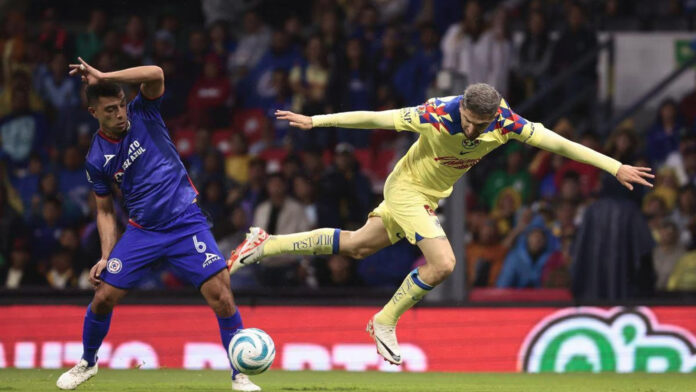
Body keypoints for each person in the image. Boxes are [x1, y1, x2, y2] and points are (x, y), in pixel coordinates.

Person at [229, 83, 653, 365]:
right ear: (462, 107)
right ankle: (385, 321)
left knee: (358, 245)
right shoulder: (436, 113)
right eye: (467, 119)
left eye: (477, 125)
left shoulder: (507, 123)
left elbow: (559, 144)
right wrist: (316, 121)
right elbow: (377, 118)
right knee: (445, 262)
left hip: (430, 196)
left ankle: (265, 244)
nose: (469, 128)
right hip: (406, 189)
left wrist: (614, 167)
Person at [56, 59, 260, 391]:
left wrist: (105, 75)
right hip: (144, 231)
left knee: (221, 295)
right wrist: (107, 256)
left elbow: (156, 74)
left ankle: (240, 374)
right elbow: (105, 211)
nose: (120, 114)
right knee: (103, 296)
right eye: (110, 110)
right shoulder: (96, 159)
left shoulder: (143, 113)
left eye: (121, 105)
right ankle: (87, 362)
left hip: (186, 222)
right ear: (93, 113)